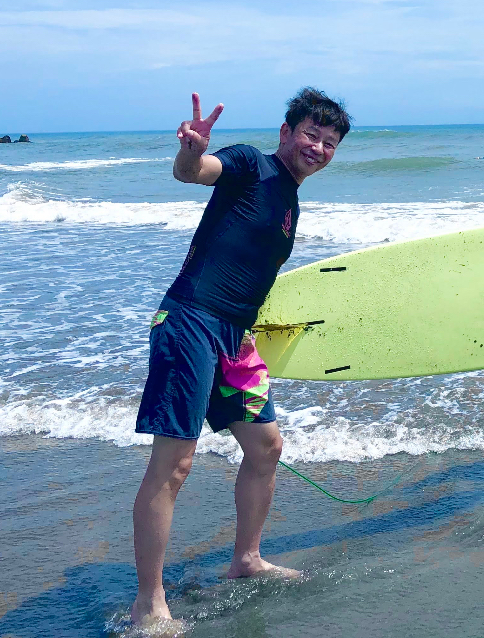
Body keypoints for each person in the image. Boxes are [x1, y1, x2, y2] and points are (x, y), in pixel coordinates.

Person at [131, 88, 351, 627]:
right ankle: (148, 604)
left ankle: (247, 560)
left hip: (236, 337)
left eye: (329, 142)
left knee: (266, 447)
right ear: (286, 132)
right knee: (174, 463)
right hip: (189, 322)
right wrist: (191, 150)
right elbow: (195, 172)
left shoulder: (291, 201)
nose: (318, 148)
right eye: (310, 135)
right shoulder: (252, 164)